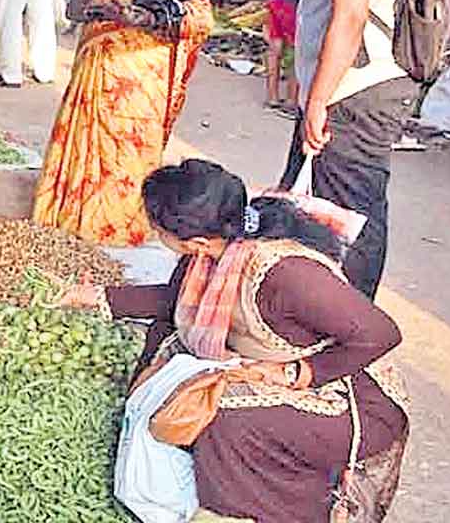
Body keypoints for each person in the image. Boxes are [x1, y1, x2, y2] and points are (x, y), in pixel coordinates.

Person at [60, 159, 408, 522]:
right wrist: (98, 296)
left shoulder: (285, 272)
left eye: (156, 228)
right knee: (167, 345)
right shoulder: (210, 249)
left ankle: (256, 510)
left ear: (193, 241)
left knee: (223, 417)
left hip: (348, 391)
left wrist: (297, 373)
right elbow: (176, 301)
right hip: (266, 361)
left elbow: (381, 333)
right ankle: (199, 483)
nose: (152, 233)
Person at [278, 0, 415, 301]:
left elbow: (351, 14)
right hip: (369, 81)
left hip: (354, 89)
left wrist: (318, 98)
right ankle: (322, 306)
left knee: (350, 209)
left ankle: (351, 318)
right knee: (323, 202)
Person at [34, 0, 213, 246]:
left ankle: (117, 227)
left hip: (144, 77)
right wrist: (101, 11)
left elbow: (202, 23)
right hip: (98, 68)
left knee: (129, 150)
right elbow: (74, 10)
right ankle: (74, 219)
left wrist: (145, 18)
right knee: (88, 142)